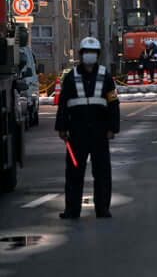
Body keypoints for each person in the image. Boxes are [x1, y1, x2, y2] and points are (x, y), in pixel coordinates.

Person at [55, 37, 120, 219]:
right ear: (81, 55)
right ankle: (72, 210)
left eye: (92, 53)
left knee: (102, 173)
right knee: (74, 172)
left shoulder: (105, 76)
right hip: (77, 134)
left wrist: (112, 128)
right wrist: (62, 127)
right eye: (86, 53)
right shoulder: (71, 77)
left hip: (100, 133)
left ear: (97, 55)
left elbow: (113, 103)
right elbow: (63, 103)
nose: (89, 56)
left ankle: (103, 209)